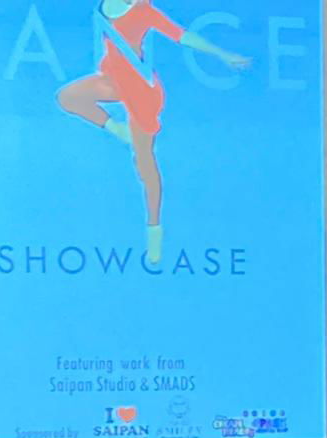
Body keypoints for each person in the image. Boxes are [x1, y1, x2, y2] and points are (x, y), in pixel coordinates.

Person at [56, 0, 251, 265]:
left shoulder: (144, 11)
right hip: (113, 81)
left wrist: (222, 54)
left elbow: (181, 35)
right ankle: (120, 131)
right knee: (68, 97)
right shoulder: (103, 6)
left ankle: (154, 230)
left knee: (144, 164)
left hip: (141, 92)